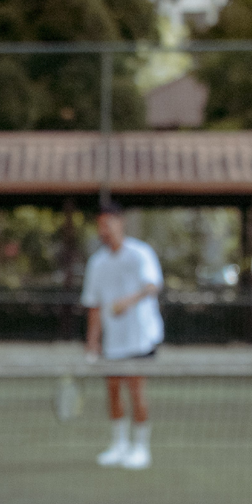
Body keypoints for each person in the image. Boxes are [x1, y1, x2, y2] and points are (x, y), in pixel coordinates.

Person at [81, 199, 164, 469]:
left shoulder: (141, 253)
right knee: (113, 391)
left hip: (140, 336)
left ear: (120, 222)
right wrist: (92, 343)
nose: (103, 230)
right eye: (99, 226)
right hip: (113, 341)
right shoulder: (97, 263)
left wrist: (128, 301)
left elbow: (152, 286)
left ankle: (141, 448)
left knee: (136, 389)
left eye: (107, 223)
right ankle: (119, 445)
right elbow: (94, 306)